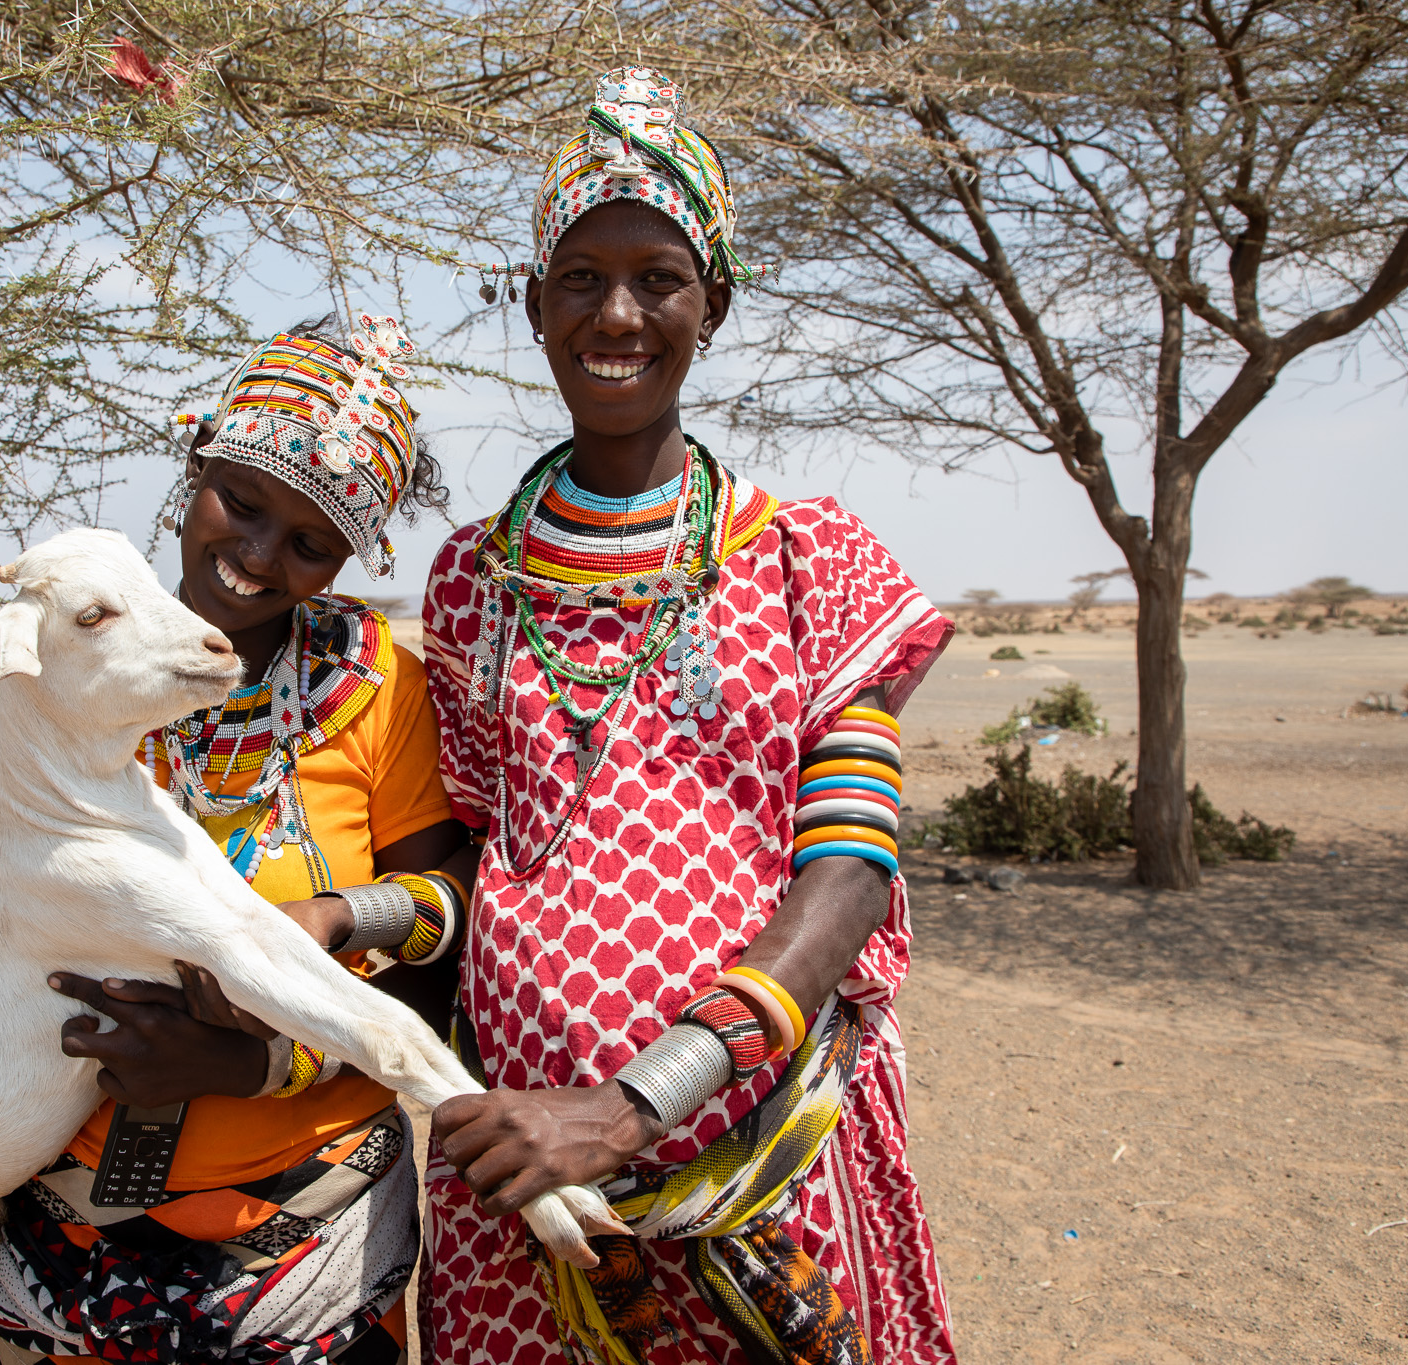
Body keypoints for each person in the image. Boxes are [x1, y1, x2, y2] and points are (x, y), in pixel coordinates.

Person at [0, 316, 477, 1364]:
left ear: (347, 558)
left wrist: (258, 1059)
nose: (255, 556)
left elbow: (439, 960)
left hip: (309, 1266)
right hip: (57, 1266)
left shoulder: (377, 690)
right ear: (192, 468)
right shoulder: (67, 668)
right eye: (239, 503)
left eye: (309, 542)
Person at [419, 69, 959, 1364]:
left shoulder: (807, 559)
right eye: (580, 278)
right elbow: (463, 854)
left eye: (658, 277)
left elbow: (848, 872)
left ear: (712, 304)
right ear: (534, 304)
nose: (618, 312)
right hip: (526, 1196)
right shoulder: (469, 578)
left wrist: (633, 1102)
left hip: (769, 1170)